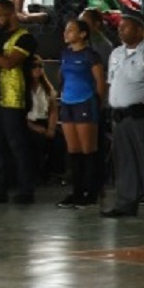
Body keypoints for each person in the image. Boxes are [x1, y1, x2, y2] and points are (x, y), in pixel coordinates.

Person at [99, 10, 144, 219]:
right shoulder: (116, 54)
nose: (120, 30)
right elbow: (112, 82)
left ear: (140, 30)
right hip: (120, 115)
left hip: (141, 114)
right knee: (124, 161)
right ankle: (126, 203)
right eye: (119, 27)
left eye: (125, 27)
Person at [54, 18, 106, 208]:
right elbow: (62, 76)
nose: (66, 33)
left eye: (71, 30)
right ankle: (76, 192)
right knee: (73, 150)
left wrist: (96, 102)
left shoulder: (90, 55)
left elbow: (100, 82)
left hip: (85, 103)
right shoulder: (65, 53)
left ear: (83, 34)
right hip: (68, 103)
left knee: (88, 149)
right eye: (66, 30)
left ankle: (90, 192)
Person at [0, 0, 39, 204]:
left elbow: (9, 63)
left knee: (17, 144)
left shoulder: (25, 38)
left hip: (13, 99)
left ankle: (25, 189)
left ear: (11, 14)